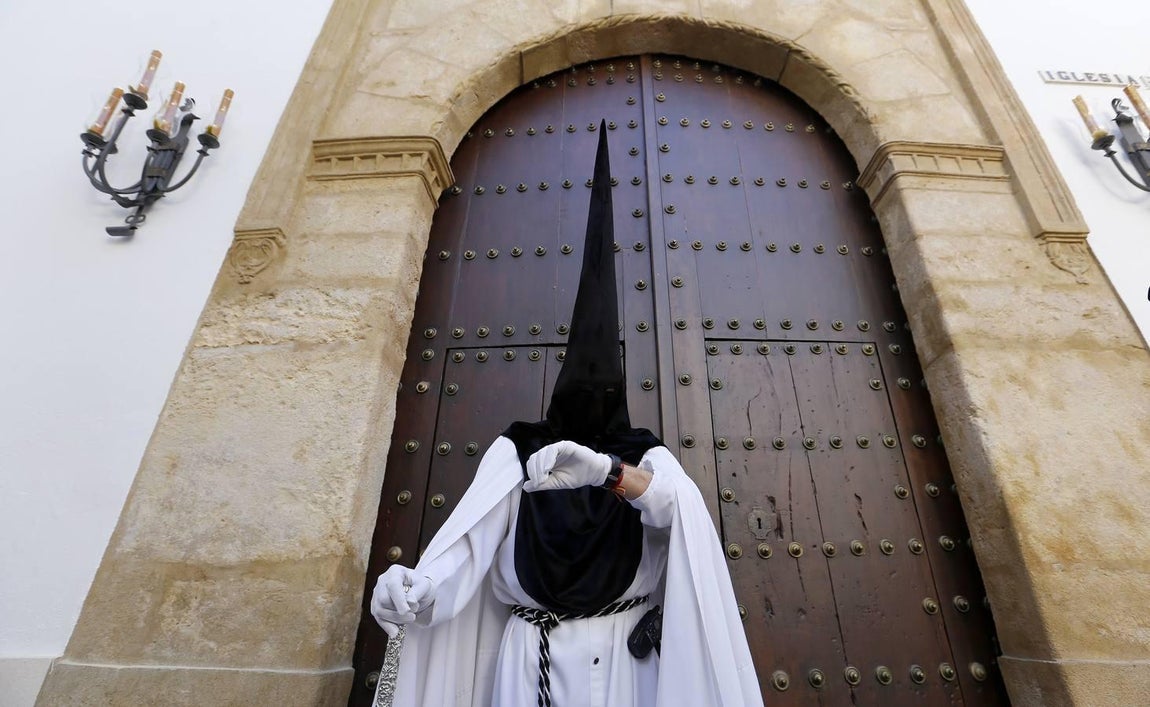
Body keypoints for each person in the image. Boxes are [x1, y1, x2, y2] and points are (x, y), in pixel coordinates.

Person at [369, 124, 762, 707]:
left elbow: (680, 515)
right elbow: (468, 551)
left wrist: (608, 472)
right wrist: (410, 591)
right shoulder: (520, 451)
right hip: (528, 658)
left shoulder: (642, 453)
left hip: (624, 660)